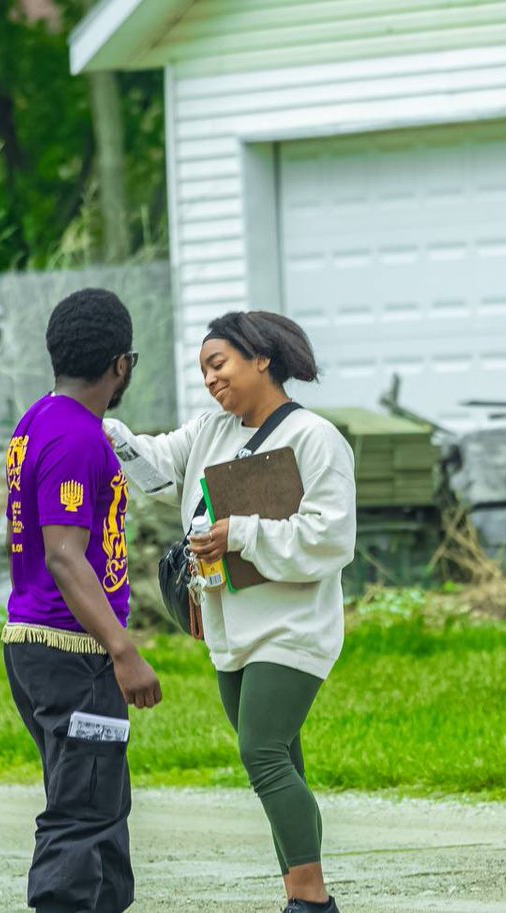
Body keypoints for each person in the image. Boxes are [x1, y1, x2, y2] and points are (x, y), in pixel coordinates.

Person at [112, 310, 356, 913]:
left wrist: (240, 534)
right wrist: (100, 426)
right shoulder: (210, 431)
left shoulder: (314, 438)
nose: (211, 380)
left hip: (292, 627)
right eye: (204, 371)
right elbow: (151, 466)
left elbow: (331, 539)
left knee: (261, 753)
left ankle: (310, 900)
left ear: (261, 359)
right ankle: (302, 893)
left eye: (218, 364)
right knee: (283, 760)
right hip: (227, 624)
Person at [1, 288, 162, 913]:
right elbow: (65, 557)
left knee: (103, 804)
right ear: (121, 364)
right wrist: (123, 650)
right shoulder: (75, 438)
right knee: (80, 813)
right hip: (73, 651)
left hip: (42, 648)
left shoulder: (37, 420)